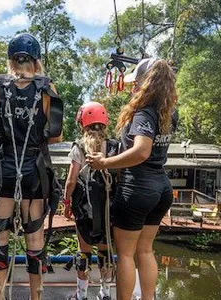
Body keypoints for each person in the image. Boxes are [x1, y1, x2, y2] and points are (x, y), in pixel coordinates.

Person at [0, 33, 63, 300]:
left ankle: (0, 295)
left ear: (10, 60)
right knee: (34, 241)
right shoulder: (48, 88)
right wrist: (36, 136)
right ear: (36, 62)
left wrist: (4, 136)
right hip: (34, 173)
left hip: (4, 169)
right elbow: (57, 134)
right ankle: (35, 298)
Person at [86, 58, 178, 300]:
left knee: (126, 254)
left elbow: (141, 151)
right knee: (146, 250)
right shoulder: (168, 112)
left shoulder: (144, 113)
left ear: (144, 83)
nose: (133, 88)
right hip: (161, 188)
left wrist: (104, 163)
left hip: (137, 188)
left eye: (136, 83)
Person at [63, 102, 119, 300]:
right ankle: (105, 293)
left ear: (83, 122)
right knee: (105, 252)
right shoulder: (114, 147)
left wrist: (67, 203)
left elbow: (71, 181)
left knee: (84, 252)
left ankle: (82, 295)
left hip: (84, 211)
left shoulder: (79, 147)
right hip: (108, 211)